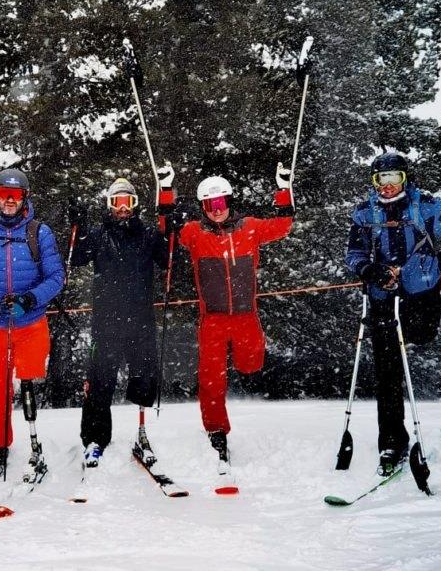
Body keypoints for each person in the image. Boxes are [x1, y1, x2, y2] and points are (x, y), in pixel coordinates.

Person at [345, 152, 441, 476]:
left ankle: (407, 344)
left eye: (393, 179)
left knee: (423, 335)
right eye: (380, 180)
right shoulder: (363, 213)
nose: (387, 187)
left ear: (404, 178)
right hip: (384, 297)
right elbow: (354, 253)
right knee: (387, 372)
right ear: (374, 183)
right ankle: (392, 442)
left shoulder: (426, 206)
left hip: (422, 291)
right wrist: (369, 269)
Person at [161, 173, 295, 472]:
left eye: (220, 201)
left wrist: (284, 190)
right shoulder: (196, 232)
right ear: (203, 206)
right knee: (211, 379)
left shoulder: (250, 227)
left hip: (246, 316)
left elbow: (283, 225)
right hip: (213, 320)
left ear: (229, 201)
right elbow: (167, 232)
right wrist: (166, 192)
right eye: (209, 203)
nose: (216, 208)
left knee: (251, 365)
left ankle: (247, 374)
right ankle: (216, 430)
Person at [0, 168, 65, 482]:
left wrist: (29, 300)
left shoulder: (39, 232)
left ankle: (35, 444)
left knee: (29, 383)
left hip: (29, 323)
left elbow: (56, 278)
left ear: (24, 198)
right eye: (4, 193)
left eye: (15, 195)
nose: (9, 200)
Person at [68, 178, 168, 468]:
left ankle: (142, 432)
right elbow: (77, 258)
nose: (122, 209)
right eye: (117, 203)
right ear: (110, 205)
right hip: (107, 322)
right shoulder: (100, 235)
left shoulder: (147, 235)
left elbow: (167, 260)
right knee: (100, 382)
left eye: (127, 203)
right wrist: (79, 227)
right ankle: (96, 439)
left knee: (143, 378)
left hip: (140, 321)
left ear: (135, 205)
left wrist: (169, 228)